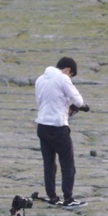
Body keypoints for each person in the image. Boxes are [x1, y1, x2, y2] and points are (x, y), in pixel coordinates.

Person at [35, 56, 86, 207]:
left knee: (49, 164)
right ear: (68, 70)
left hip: (42, 125)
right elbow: (79, 101)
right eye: (71, 75)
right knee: (67, 163)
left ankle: (52, 197)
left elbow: (43, 101)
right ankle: (68, 198)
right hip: (58, 126)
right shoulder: (63, 79)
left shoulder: (40, 79)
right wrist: (78, 106)